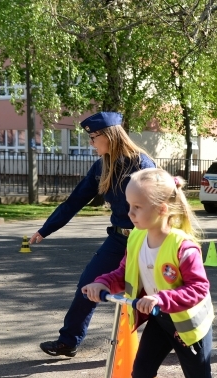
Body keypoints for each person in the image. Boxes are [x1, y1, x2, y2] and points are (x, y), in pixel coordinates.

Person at [83, 168, 217, 378]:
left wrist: (161, 297)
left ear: (162, 209)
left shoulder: (183, 246)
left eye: (137, 207)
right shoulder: (136, 238)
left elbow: (199, 288)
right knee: (140, 375)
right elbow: (122, 272)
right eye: (129, 206)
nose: (131, 213)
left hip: (189, 326)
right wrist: (102, 282)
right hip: (161, 320)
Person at [31, 111, 156, 357]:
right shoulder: (101, 166)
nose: (90, 143)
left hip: (146, 239)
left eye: (93, 138)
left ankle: (181, 339)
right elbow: (74, 201)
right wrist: (46, 229)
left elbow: (161, 204)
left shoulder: (142, 164)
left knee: (158, 292)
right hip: (119, 239)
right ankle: (68, 341)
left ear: (109, 136)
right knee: (88, 285)